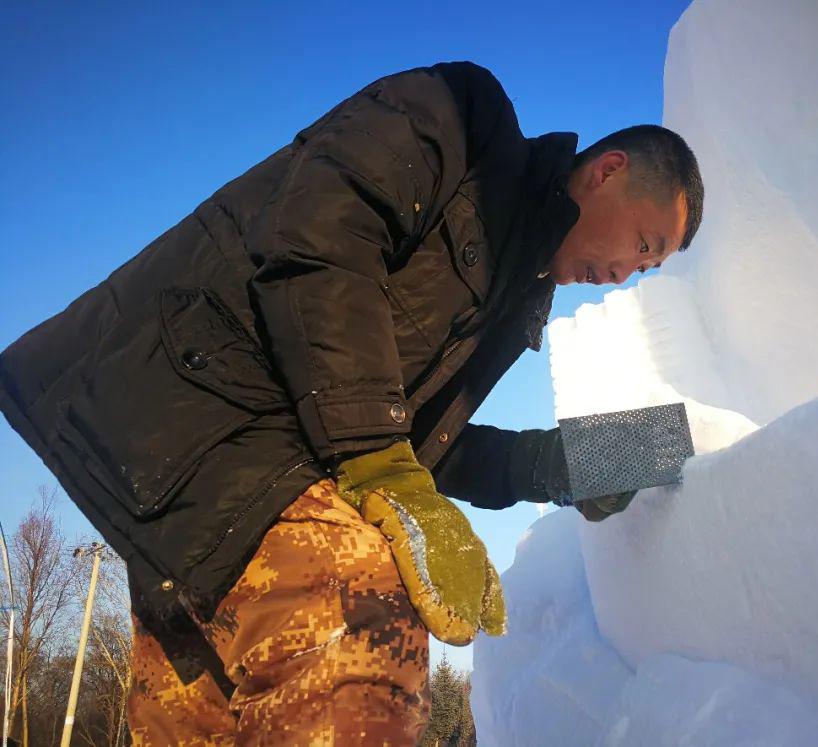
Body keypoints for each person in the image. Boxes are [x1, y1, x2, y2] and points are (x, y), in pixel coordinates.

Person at [0, 61, 702, 744]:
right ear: (608, 170)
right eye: (644, 243)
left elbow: (421, 440)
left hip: (217, 513)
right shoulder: (464, 118)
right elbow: (321, 231)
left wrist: (557, 463)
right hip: (198, 401)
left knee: (202, 724)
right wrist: (379, 461)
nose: (626, 274)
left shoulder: (511, 303)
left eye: (648, 267)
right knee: (367, 609)